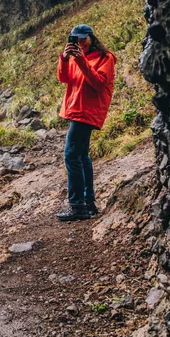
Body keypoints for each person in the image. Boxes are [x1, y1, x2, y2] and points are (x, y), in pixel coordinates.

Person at [55, 24, 116, 221]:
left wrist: (81, 59)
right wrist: (64, 58)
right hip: (77, 110)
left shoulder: (105, 58)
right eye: (76, 39)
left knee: (71, 156)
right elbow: (63, 78)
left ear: (91, 37)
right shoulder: (75, 57)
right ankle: (88, 203)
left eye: (83, 38)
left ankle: (77, 206)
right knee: (81, 157)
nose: (80, 42)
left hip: (88, 112)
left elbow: (99, 83)